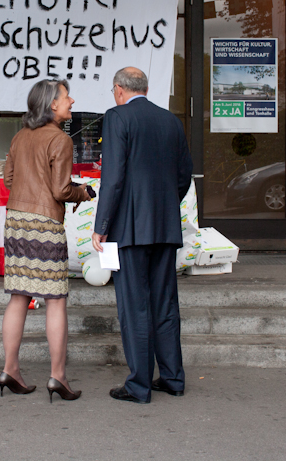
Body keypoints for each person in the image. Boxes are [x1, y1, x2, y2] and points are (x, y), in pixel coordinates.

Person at [92, 67, 193, 404]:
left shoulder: (117, 116)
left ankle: (139, 385)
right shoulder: (171, 121)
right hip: (165, 226)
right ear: (145, 89)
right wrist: (164, 205)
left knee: (134, 305)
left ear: (119, 90)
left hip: (129, 229)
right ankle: (173, 378)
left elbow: (113, 177)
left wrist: (101, 225)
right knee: (165, 303)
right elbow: (184, 175)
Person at [0, 79, 95, 402]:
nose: (72, 101)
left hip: (16, 220)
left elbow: (9, 179)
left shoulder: (20, 136)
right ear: (53, 104)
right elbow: (60, 190)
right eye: (67, 97)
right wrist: (83, 192)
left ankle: (10, 369)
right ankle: (58, 376)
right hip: (45, 224)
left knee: (18, 295)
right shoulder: (60, 139)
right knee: (55, 299)